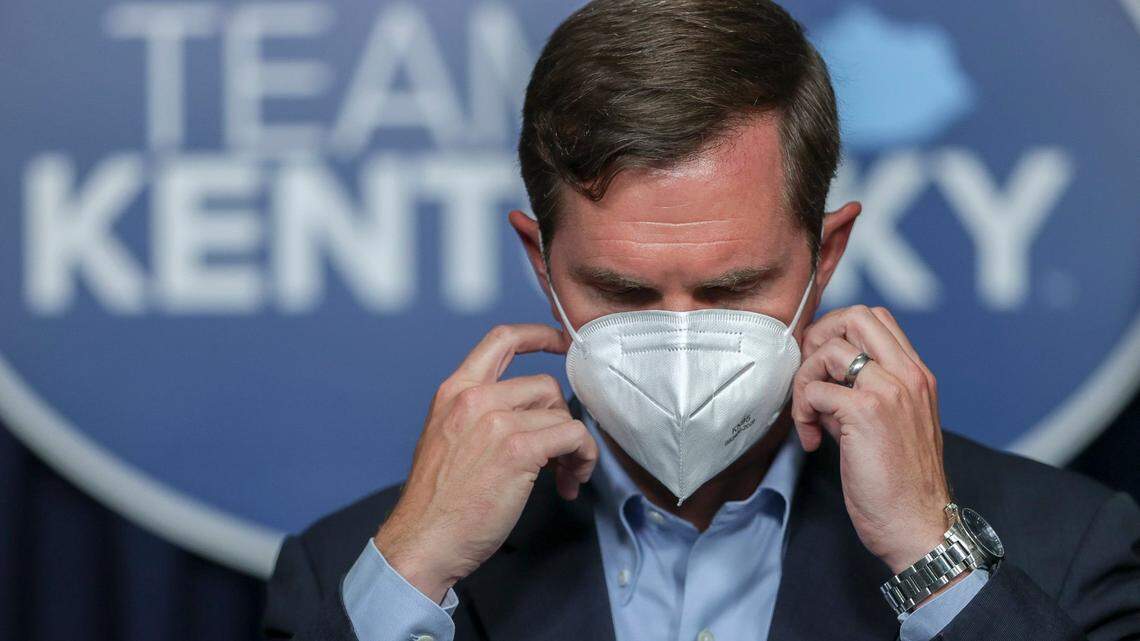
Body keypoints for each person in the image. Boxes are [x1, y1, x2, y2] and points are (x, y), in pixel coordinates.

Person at [261, 1, 1140, 639]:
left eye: (731, 289)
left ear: (825, 255)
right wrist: (411, 577)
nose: (679, 339)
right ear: (540, 262)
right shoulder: (357, 572)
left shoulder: (1061, 546)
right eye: (624, 292)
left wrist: (931, 555)